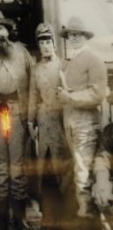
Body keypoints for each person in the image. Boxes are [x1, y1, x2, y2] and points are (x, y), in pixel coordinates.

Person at [0, 10, 33, 230]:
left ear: (8, 31)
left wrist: (31, 114)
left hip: (17, 113)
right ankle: (1, 218)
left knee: (17, 166)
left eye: (1, 28)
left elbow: (33, 84)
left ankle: (19, 218)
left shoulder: (22, 53)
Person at [57, 16, 107, 219]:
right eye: (71, 34)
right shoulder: (72, 62)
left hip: (86, 125)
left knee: (83, 175)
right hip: (72, 125)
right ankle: (86, 215)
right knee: (80, 173)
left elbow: (97, 94)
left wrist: (69, 97)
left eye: (78, 34)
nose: (74, 38)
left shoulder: (94, 60)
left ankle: (89, 219)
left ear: (86, 37)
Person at [28, 23, 71, 228]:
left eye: (48, 41)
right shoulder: (36, 69)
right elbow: (32, 97)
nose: (45, 46)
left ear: (54, 43)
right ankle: (47, 219)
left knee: (61, 170)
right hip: (43, 125)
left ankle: (64, 219)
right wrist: (30, 120)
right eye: (42, 42)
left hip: (62, 125)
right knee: (45, 174)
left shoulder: (64, 65)